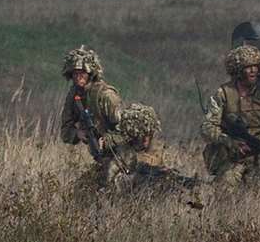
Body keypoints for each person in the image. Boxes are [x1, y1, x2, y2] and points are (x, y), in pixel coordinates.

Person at [59, 45, 180, 188]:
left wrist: (108, 139)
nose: (78, 76)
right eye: (75, 73)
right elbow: (65, 133)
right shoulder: (74, 96)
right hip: (105, 156)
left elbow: (128, 131)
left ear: (90, 73)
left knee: (109, 184)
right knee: (83, 188)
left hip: (127, 153)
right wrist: (78, 133)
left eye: (82, 72)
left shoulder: (105, 96)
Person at [201, 44, 260, 185]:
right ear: (238, 71)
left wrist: (257, 143)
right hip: (231, 158)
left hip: (259, 158)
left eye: (256, 66)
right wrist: (230, 142)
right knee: (225, 187)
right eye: (248, 67)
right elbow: (207, 127)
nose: (253, 70)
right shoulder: (223, 93)